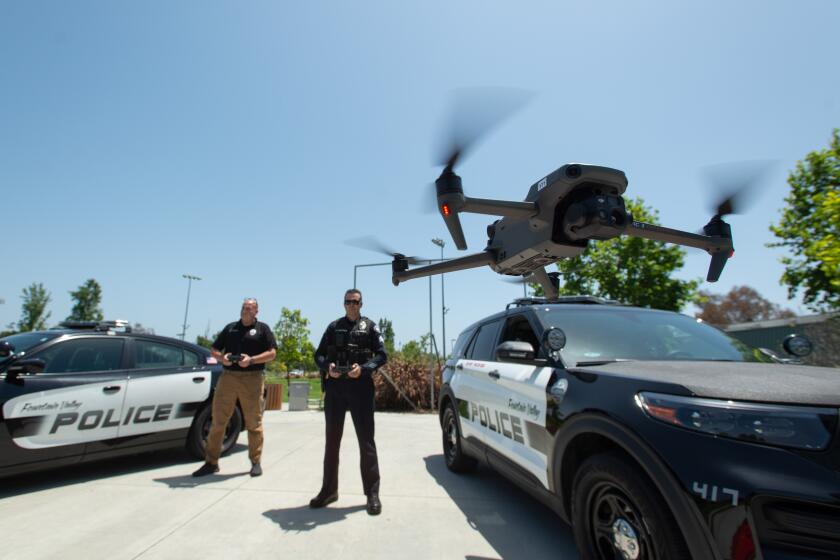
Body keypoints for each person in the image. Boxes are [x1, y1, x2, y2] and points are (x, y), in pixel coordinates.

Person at [310, 288, 387, 515]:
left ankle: (372, 493)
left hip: (360, 388)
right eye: (348, 301)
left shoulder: (371, 326)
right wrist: (328, 368)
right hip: (335, 389)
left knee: (366, 442)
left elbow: (382, 355)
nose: (351, 305)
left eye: (355, 302)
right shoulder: (334, 327)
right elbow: (319, 355)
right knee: (331, 442)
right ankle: (328, 490)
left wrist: (363, 369)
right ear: (343, 304)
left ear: (361, 303)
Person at [192, 298, 277, 477]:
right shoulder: (231, 328)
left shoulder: (263, 329)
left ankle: (255, 462)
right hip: (228, 378)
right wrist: (223, 358)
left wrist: (251, 360)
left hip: (252, 378)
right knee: (218, 421)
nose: (245, 311)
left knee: (254, 422)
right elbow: (214, 350)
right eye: (243, 308)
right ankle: (211, 462)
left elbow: (272, 353)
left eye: (249, 308)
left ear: (256, 311)